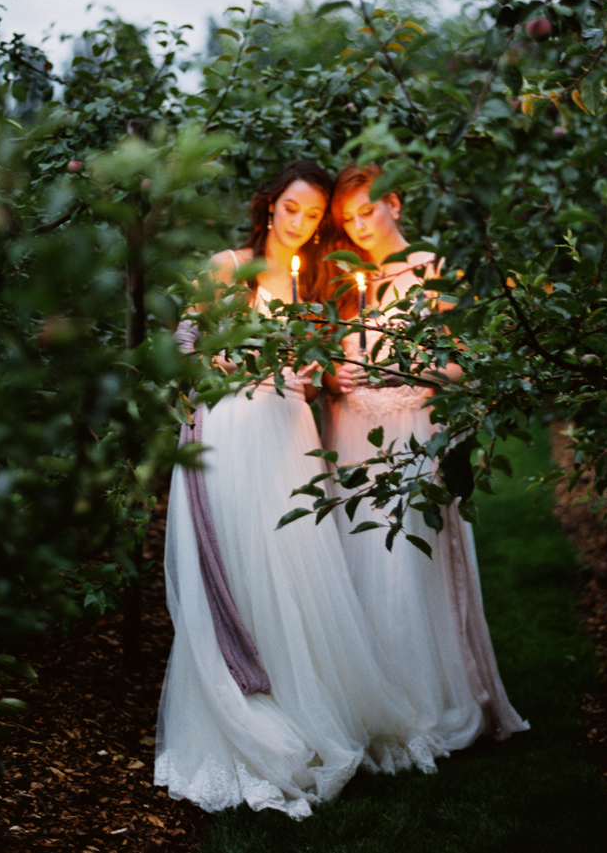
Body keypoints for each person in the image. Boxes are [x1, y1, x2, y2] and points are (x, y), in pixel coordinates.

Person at [154, 161, 437, 819]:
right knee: (245, 564)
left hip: (287, 429)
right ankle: (246, 711)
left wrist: (306, 372)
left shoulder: (311, 280)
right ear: (269, 206)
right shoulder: (229, 264)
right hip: (231, 429)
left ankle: (305, 703)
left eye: (313, 215)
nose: (301, 224)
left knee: (296, 566)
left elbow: (312, 361)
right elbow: (186, 342)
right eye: (292, 209)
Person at [322, 162, 529, 749]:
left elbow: (471, 364)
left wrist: (408, 369)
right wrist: (339, 377)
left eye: (368, 209)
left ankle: (422, 703)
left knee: (404, 566)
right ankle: (366, 702)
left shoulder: (433, 272)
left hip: (412, 432)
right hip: (351, 435)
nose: (360, 225)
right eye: (349, 218)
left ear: (395, 204)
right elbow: (333, 360)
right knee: (357, 561)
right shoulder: (347, 279)